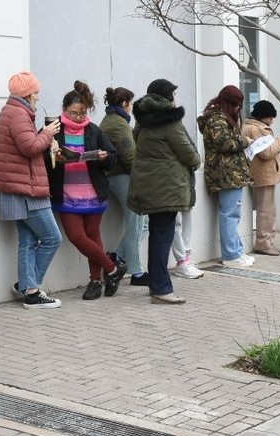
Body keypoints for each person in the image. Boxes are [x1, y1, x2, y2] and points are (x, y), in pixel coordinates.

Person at [47, 81, 127, 301]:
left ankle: (95, 281)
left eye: (82, 113)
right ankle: (112, 268)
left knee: (93, 235)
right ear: (64, 110)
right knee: (76, 236)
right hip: (66, 195)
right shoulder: (54, 129)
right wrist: (54, 157)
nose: (78, 117)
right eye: (73, 113)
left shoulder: (94, 130)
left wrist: (104, 157)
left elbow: (112, 157)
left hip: (93, 194)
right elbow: (41, 156)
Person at [0, 71, 64, 309]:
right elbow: (29, 147)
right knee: (52, 237)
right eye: (36, 92)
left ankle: (26, 285)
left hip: (18, 187)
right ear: (29, 93)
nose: (38, 96)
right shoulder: (18, 115)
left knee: (28, 241)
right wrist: (47, 133)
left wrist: (46, 141)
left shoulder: (12, 111)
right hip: (27, 191)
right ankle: (31, 290)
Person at [128, 79, 200, 304]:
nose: (175, 99)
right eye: (174, 94)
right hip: (167, 188)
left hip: (149, 186)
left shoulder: (142, 121)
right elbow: (189, 154)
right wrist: (196, 160)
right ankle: (161, 288)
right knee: (162, 237)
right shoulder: (170, 122)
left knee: (157, 236)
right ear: (166, 96)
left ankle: (156, 285)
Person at [199, 85, 254, 267]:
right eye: (236, 105)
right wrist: (245, 141)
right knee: (230, 214)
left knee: (232, 214)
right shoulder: (218, 119)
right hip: (226, 173)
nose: (238, 109)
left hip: (229, 173)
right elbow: (224, 143)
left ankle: (237, 250)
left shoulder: (218, 117)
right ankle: (231, 255)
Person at [101, 86, 148, 284]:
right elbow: (130, 157)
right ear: (124, 104)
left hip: (118, 177)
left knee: (144, 223)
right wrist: (142, 180)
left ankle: (117, 256)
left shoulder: (111, 120)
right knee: (135, 223)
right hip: (123, 178)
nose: (131, 108)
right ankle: (136, 273)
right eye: (130, 103)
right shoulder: (118, 124)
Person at [241, 100, 280, 255]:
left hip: (266, 173)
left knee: (270, 210)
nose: (272, 120)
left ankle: (269, 241)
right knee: (265, 210)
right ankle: (263, 243)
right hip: (262, 174)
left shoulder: (255, 127)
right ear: (263, 116)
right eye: (270, 117)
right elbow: (266, 153)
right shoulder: (255, 129)